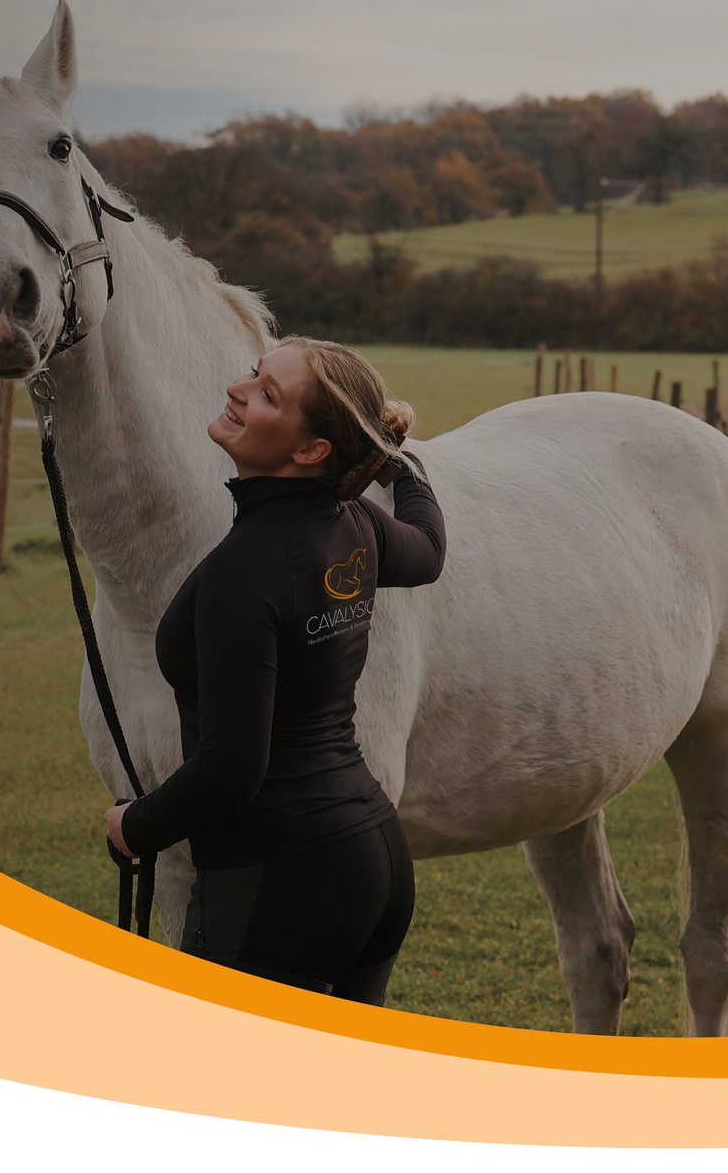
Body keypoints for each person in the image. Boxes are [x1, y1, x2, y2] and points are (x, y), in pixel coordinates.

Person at [103, 335, 446, 1006]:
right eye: (254, 374)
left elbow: (234, 767)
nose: (238, 389)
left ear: (311, 450)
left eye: (267, 394)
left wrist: (134, 826)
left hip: (279, 884)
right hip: (374, 858)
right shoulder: (356, 528)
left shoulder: (245, 571)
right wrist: (401, 470)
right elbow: (429, 549)